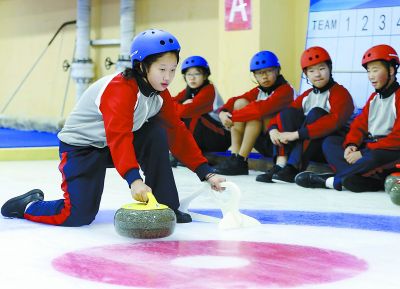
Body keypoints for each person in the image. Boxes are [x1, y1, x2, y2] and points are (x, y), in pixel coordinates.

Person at [1, 29, 225, 226]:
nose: (168, 77)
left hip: (111, 145)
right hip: (82, 148)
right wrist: (134, 180)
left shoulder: (159, 94)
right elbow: (119, 136)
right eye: (162, 69)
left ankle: (167, 206)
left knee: (157, 131)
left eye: (173, 70)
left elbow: (177, 132)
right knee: (78, 216)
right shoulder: (121, 89)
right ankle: (28, 206)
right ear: (141, 66)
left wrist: (206, 173)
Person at [295, 44, 400, 192]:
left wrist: (363, 153)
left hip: (388, 150)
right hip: (370, 147)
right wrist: (352, 144)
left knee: (373, 157)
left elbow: (397, 138)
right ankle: (359, 178)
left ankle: (331, 180)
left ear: (391, 70)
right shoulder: (373, 98)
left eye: (375, 70)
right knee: (331, 142)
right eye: (369, 71)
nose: (371, 76)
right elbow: (359, 125)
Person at [262, 46, 354, 183]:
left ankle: (293, 167)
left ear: (330, 68)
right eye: (311, 71)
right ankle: (281, 165)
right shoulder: (306, 96)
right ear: (306, 74)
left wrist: (296, 134)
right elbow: (282, 116)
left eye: (322, 68)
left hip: (330, 147)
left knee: (316, 113)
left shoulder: (340, 93)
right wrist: (273, 129)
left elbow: (334, 122)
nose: (317, 74)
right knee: (288, 113)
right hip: (309, 147)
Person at [214, 51, 294, 176]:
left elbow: (259, 109)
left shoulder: (285, 90)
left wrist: (232, 117)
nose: (264, 77)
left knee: (255, 114)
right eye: (259, 73)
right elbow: (235, 100)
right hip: (261, 139)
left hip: (277, 143)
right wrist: (223, 113)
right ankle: (235, 157)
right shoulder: (259, 90)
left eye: (268, 71)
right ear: (255, 76)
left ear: (277, 70)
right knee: (240, 103)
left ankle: (241, 160)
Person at [171, 55, 230, 165]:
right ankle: (181, 152)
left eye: (197, 74)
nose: (192, 78)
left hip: (220, 137)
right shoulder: (189, 90)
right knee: (174, 116)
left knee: (194, 116)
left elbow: (185, 111)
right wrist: (181, 105)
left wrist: (181, 107)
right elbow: (168, 104)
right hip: (206, 134)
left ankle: (189, 154)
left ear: (205, 75)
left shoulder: (209, 90)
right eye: (189, 74)